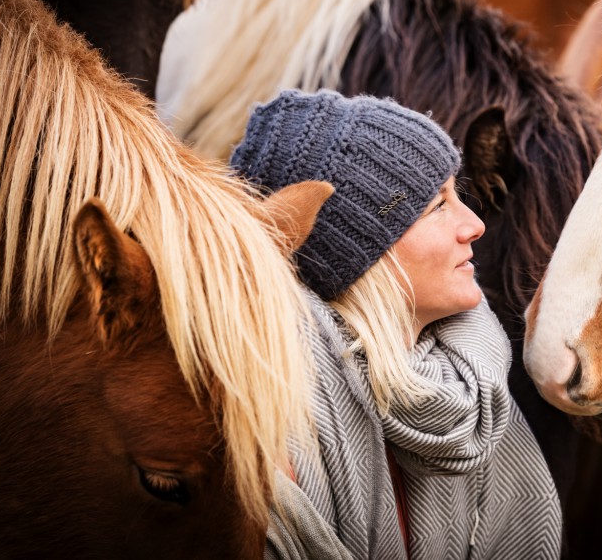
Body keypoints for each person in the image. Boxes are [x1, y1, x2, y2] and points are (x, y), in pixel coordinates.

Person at [231, 89, 562, 559]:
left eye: (457, 195)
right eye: (437, 206)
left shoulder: (472, 384)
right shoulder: (276, 429)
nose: (474, 225)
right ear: (361, 258)